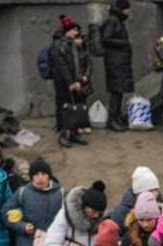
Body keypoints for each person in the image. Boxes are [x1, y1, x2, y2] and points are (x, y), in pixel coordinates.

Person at [49, 17, 91, 148]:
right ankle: (64, 135)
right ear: (67, 31)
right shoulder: (58, 45)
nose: (76, 33)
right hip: (63, 83)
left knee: (74, 107)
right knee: (65, 108)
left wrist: (78, 81)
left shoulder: (70, 44)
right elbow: (62, 67)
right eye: (74, 30)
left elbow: (77, 65)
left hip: (73, 82)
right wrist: (70, 82)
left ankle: (73, 133)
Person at [100, 0, 134, 132]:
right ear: (121, 9)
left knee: (119, 91)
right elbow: (106, 39)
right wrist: (124, 43)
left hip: (119, 62)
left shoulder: (118, 21)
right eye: (127, 9)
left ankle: (117, 119)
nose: (128, 12)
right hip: (115, 63)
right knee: (116, 91)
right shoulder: (113, 21)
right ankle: (112, 121)